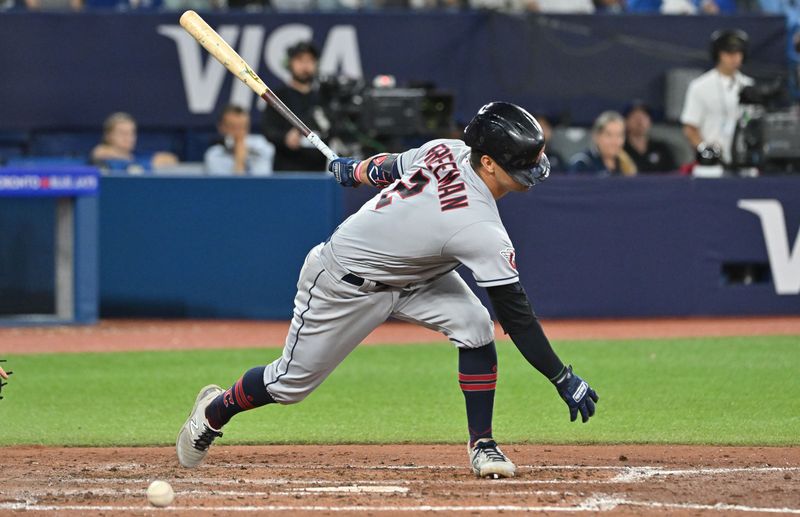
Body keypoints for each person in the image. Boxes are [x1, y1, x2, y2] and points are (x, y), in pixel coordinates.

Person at [176, 102, 599, 479]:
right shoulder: (480, 228)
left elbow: (387, 167)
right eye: (523, 164)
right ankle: (214, 411)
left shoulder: (447, 149)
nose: (532, 173)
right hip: (345, 283)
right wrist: (562, 378)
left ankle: (482, 443)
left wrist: (355, 170)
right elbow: (519, 318)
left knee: (475, 326)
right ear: (488, 162)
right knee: (289, 384)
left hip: (418, 276)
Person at [680, 29, 754, 165]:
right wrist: (706, 150)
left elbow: (751, 121)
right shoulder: (699, 86)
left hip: (744, 159)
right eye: (729, 53)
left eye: (738, 53)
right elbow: (690, 127)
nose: (734, 58)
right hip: (712, 161)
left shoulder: (749, 85)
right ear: (718, 54)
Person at [262, 41, 329, 172]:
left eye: (310, 60)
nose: (305, 65)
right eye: (299, 60)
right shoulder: (277, 97)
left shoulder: (323, 98)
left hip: (319, 174)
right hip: (287, 171)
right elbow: (268, 129)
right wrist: (285, 138)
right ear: (289, 63)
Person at [90, 112, 178, 173]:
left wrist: (137, 163)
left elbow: (170, 159)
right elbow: (99, 152)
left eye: (131, 133)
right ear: (108, 136)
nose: (128, 138)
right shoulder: (101, 157)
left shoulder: (138, 156)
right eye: (122, 133)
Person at [204, 104, 275, 176]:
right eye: (232, 127)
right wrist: (239, 160)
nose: (238, 133)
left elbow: (262, 181)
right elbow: (226, 186)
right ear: (221, 127)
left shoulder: (262, 146)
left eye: (243, 127)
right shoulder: (214, 155)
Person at [568, 111, 637, 176]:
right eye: (609, 135)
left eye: (619, 135)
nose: (615, 141)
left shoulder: (626, 164)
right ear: (596, 136)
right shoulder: (583, 163)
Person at [623, 101, 677, 173]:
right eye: (635, 116)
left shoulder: (661, 148)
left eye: (644, 116)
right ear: (625, 121)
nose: (640, 121)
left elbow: (674, 174)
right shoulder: (620, 150)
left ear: (650, 121)